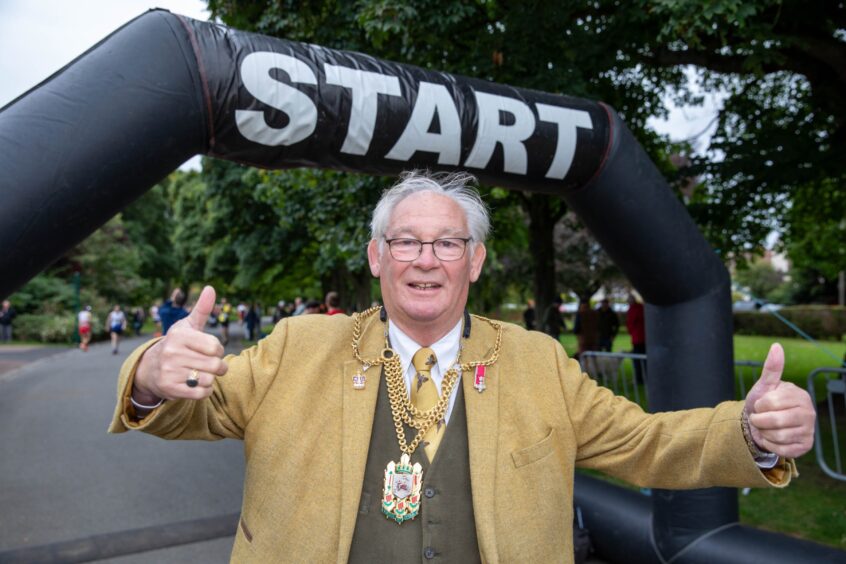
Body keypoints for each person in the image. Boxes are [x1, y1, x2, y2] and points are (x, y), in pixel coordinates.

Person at [111, 171, 815, 563]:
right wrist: (150, 375)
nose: (426, 260)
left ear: (475, 262)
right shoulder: (298, 346)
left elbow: (646, 445)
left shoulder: (537, 359)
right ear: (376, 259)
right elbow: (188, 408)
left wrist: (749, 432)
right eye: (407, 243)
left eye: (448, 244)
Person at [626, 293, 646, 383]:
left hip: (637, 338)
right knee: (644, 359)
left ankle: (639, 378)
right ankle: (645, 377)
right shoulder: (642, 308)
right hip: (643, 337)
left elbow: (630, 323)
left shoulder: (633, 310)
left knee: (637, 360)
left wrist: (630, 331)